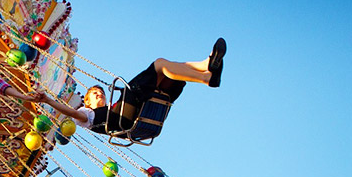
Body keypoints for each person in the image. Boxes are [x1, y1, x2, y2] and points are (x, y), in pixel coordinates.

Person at [35, 38, 226, 135]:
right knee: (158, 64)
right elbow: (70, 112)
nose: (99, 94)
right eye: (94, 94)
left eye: (100, 92)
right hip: (125, 120)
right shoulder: (87, 116)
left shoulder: (110, 109)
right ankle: (207, 74)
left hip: (139, 110)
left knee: (167, 71)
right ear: (87, 101)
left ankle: (206, 68)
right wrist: (48, 100)